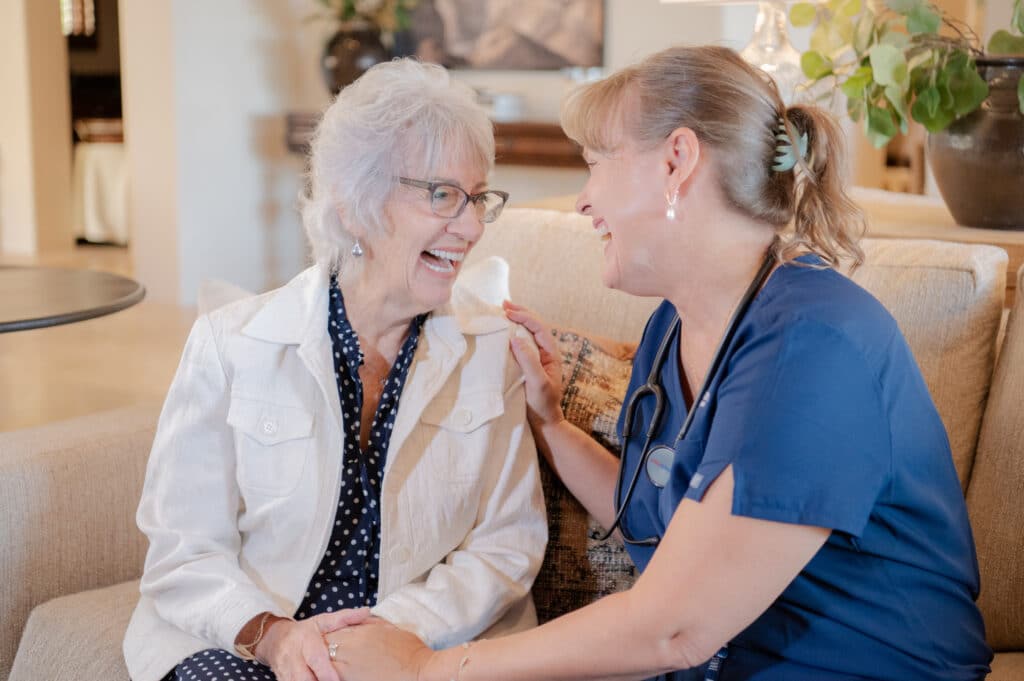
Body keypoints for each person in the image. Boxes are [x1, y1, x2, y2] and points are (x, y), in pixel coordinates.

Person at [323, 45, 993, 680]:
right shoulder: (672, 328)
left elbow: (676, 626)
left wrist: (428, 666)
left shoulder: (816, 346)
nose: (584, 199)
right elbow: (656, 518)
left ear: (677, 161)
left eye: (596, 161)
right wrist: (551, 423)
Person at [122, 59, 547, 681]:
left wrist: (382, 636)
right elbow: (183, 550)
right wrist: (276, 638)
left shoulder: (492, 348)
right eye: (442, 195)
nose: (473, 225)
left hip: (419, 644)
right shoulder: (229, 344)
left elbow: (506, 543)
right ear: (355, 205)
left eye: (479, 198)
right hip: (254, 641)